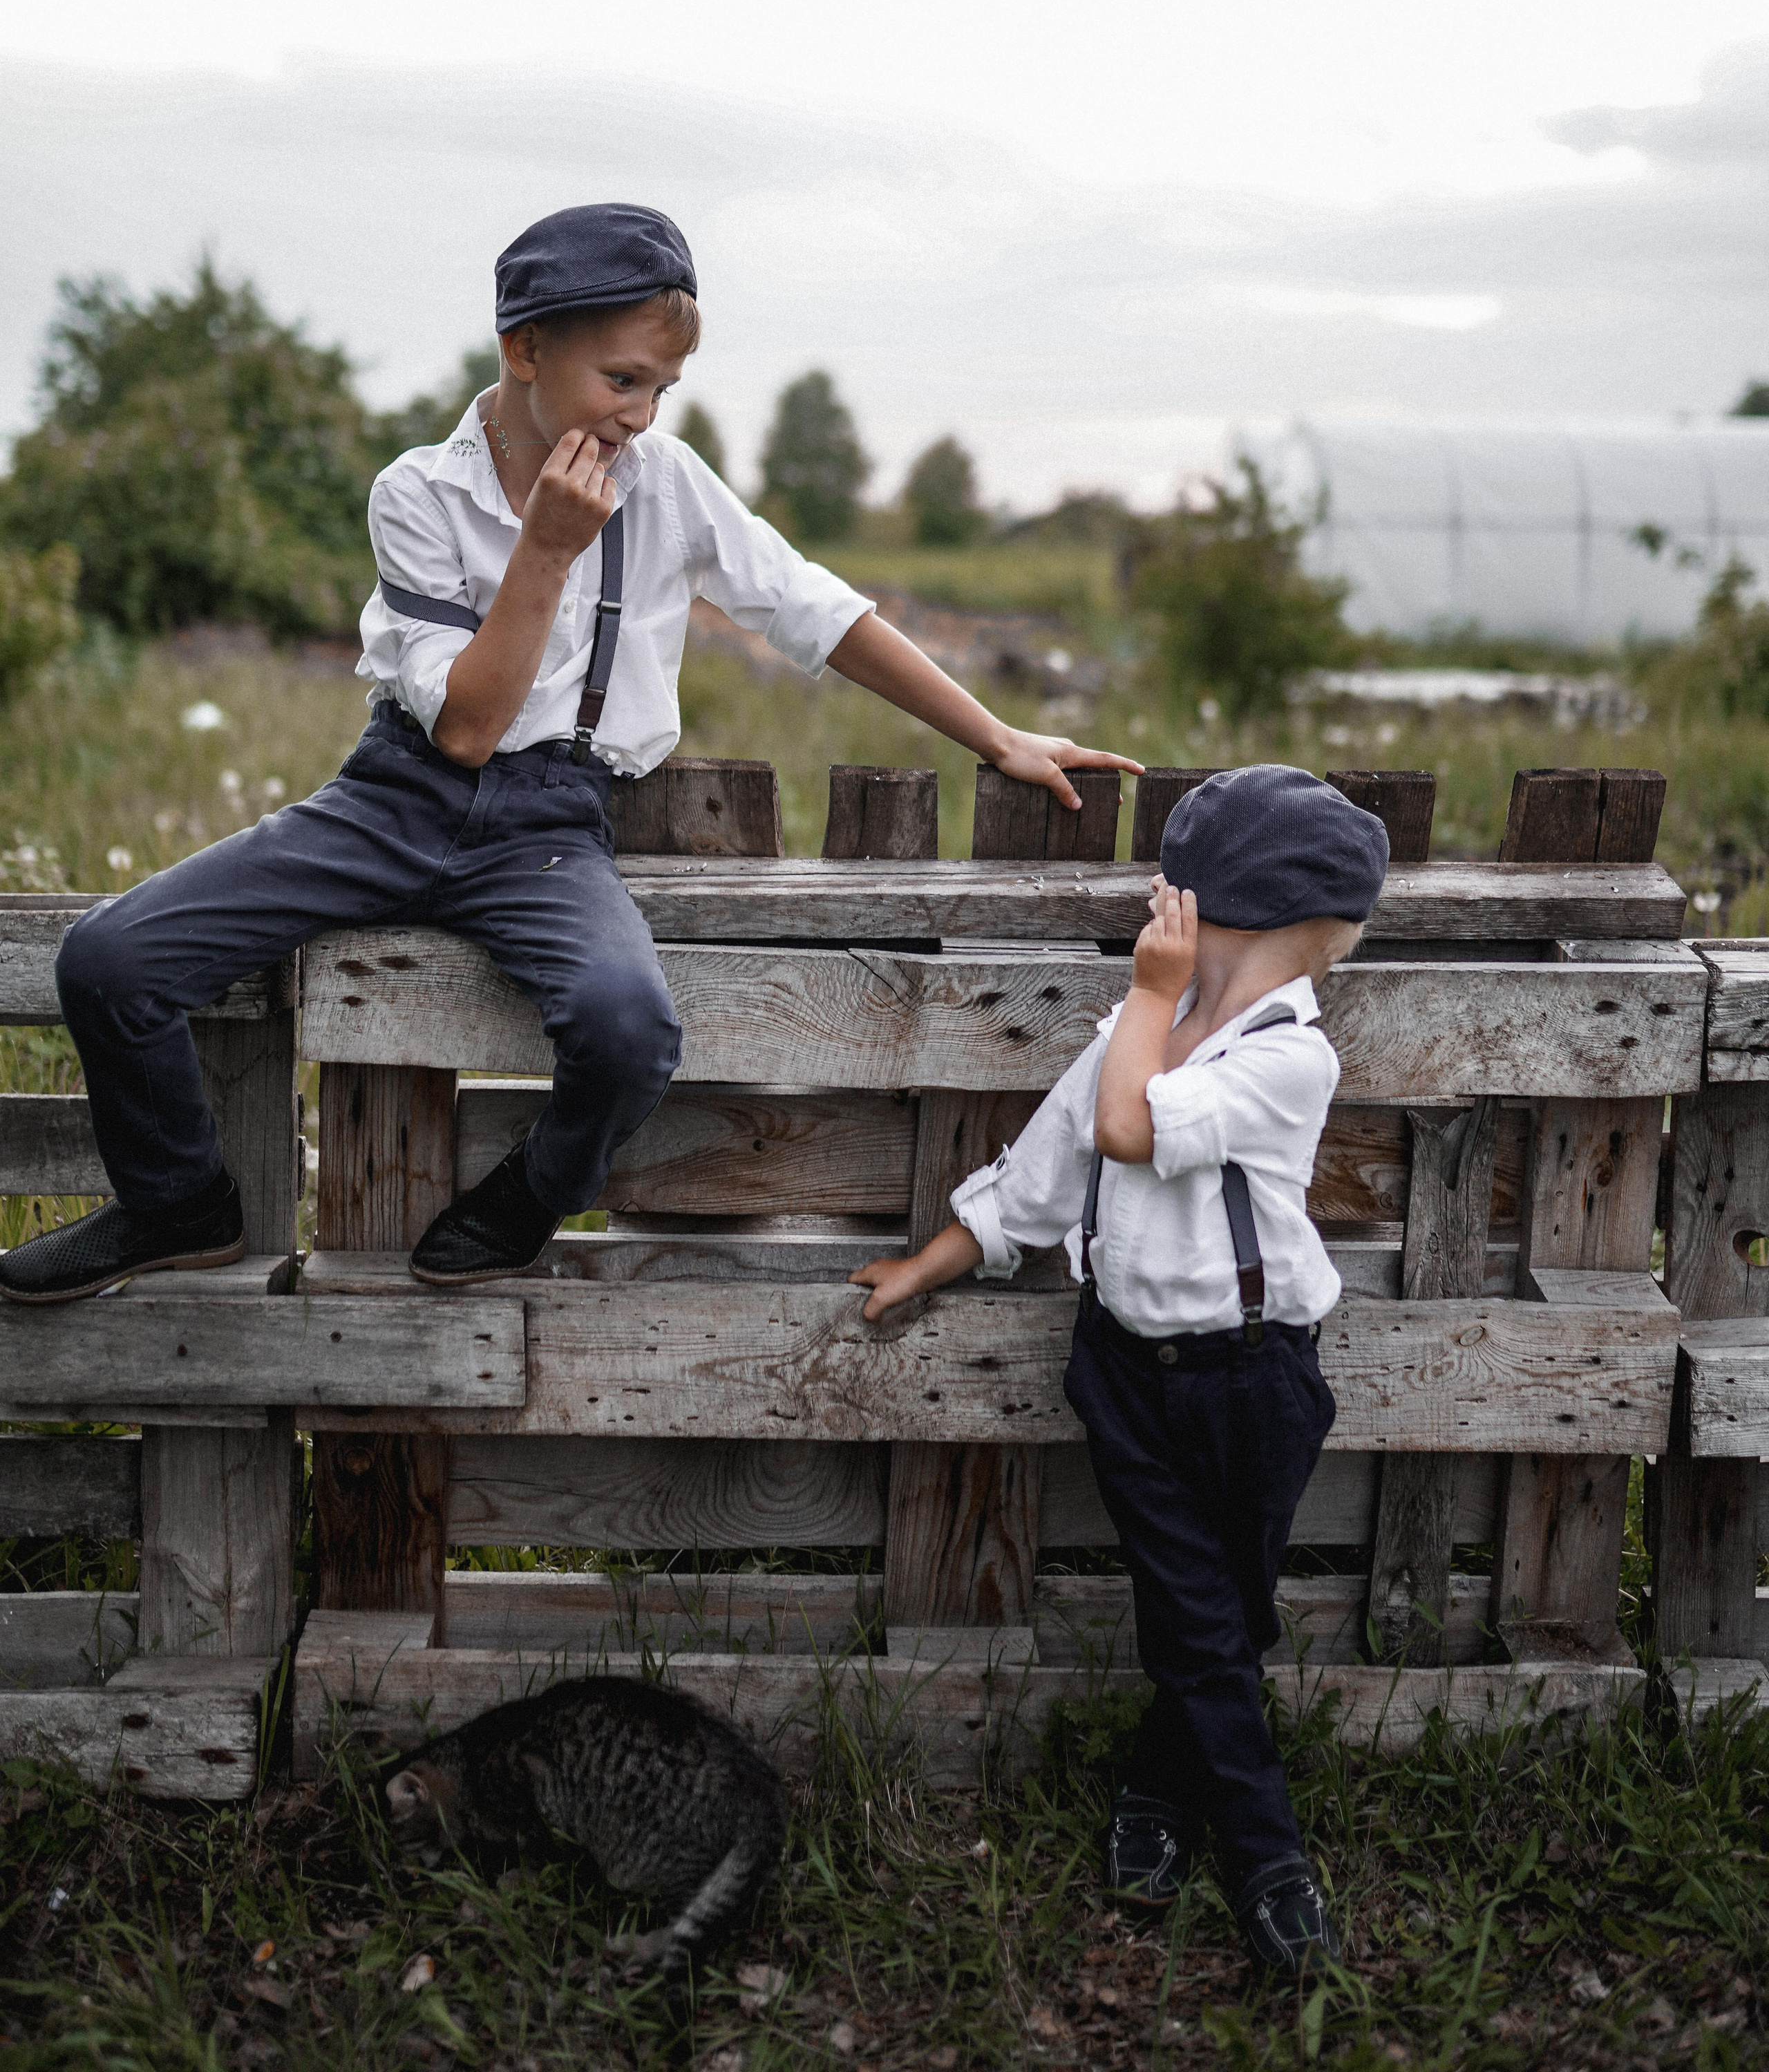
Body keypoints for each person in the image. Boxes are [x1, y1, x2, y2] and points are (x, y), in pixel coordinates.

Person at [1, 202, 1138, 1307]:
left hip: (546, 828)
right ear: (525, 348)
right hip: (393, 799)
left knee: (627, 1028)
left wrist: (999, 733)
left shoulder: (669, 486)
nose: (642, 415)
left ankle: (537, 1195)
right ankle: (180, 1206)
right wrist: (546, 550)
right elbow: (462, 728)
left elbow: (818, 613)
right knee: (109, 960)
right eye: (622, 379)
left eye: (662, 388)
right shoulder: (419, 493)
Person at [850, 763, 1388, 1977]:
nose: (1157, 914)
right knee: (1204, 1623)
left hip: (1256, 1379)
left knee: (1222, 1618)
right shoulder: (1129, 1033)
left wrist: (1149, 998)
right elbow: (1050, 1166)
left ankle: (1158, 1787)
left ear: (1228, 916)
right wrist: (936, 1260)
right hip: (1125, 1375)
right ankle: (1269, 1862)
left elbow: (1131, 1126)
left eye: (1173, 898)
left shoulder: (1291, 1058)